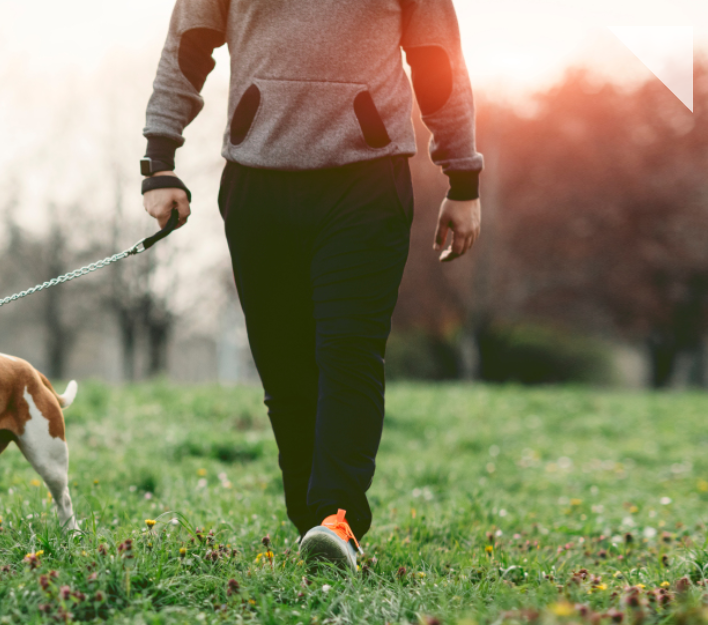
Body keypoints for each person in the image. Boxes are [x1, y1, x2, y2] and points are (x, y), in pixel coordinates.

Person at [139, 0, 482, 569]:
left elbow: (438, 61)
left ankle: (337, 518)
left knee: (348, 352)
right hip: (257, 180)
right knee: (285, 368)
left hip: (366, 183)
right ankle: (312, 524)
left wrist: (462, 176)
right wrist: (159, 159)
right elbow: (188, 46)